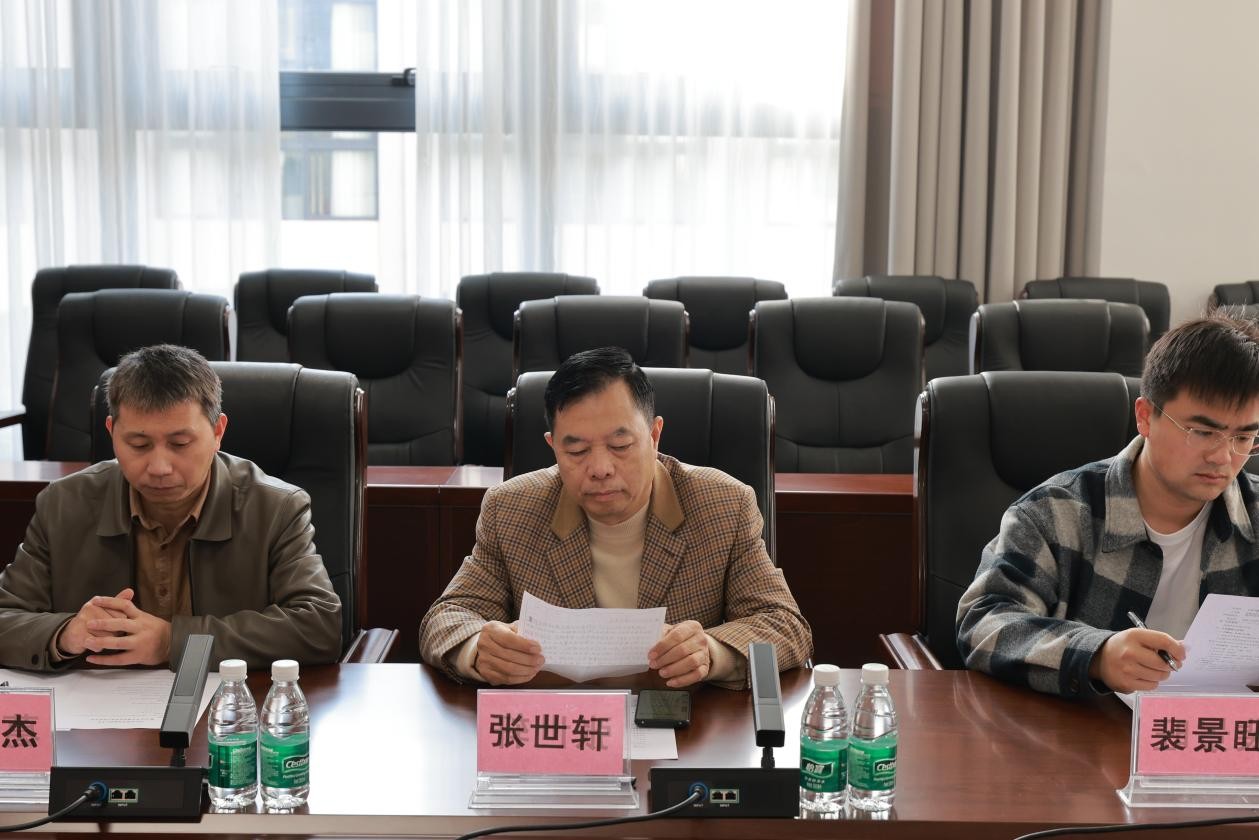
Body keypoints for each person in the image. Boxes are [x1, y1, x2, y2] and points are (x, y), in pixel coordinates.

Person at [420, 347, 811, 688]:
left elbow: (785, 625)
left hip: (681, 725)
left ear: (654, 436)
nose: (600, 468)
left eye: (620, 445)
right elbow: (445, 617)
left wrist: (712, 651)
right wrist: (477, 648)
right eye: (577, 451)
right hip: (563, 725)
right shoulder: (511, 509)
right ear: (553, 447)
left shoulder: (723, 505)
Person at [956, 313, 1259, 697]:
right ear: (1145, 417)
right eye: (1202, 432)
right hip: (1082, 728)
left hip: (1214, 731)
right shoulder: (1054, 512)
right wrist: (1097, 655)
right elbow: (984, 622)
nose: (1223, 457)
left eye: (1244, 438)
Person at [0, 344, 342, 670]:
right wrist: (64, 634)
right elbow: (7, 616)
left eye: (180, 443)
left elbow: (319, 625)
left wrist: (172, 641)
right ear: (111, 432)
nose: (159, 467)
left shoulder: (276, 508)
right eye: (139, 444)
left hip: (227, 704)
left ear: (218, 431)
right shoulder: (63, 504)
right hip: (96, 705)